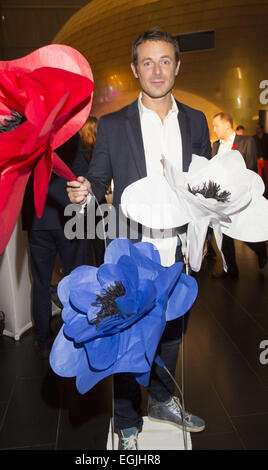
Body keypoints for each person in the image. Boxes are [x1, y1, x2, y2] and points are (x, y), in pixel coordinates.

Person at [67, 27, 210, 449]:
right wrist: (85, 193)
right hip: (132, 247)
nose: (157, 70)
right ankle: (127, 416)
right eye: (147, 62)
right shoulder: (113, 125)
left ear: (178, 66)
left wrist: (205, 231)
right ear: (135, 69)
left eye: (165, 60)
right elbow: (96, 181)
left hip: (179, 246)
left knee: (172, 330)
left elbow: (201, 184)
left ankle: (163, 401)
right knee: (128, 335)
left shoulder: (196, 121)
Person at [22, 133, 88, 358]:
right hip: (68, 215)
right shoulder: (69, 131)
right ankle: (76, 337)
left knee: (40, 282)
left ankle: (43, 341)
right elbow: (81, 172)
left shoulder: (26, 134)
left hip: (37, 217)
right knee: (75, 280)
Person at [211, 113, 267, 279]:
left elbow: (250, 167)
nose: (214, 129)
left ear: (227, 125)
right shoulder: (215, 145)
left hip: (240, 194)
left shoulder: (246, 142)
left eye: (216, 125)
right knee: (225, 232)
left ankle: (260, 249)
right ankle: (231, 269)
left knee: (241, 228)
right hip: (221, 197)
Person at [79, 116, 106, 267]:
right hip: (97, 202)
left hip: (81, 204)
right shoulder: (100, 153)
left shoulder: (77, 154)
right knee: (100, 246)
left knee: (85, 249)